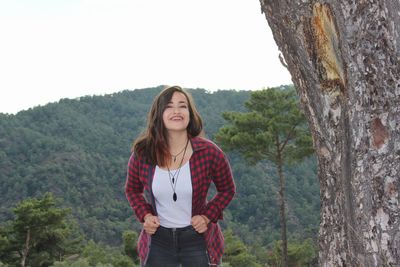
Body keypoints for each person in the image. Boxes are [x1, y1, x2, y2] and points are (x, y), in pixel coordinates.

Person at [125, 85, 236, 267]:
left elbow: (227, 190)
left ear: (190, 113)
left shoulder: (209, 152)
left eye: (182, 106)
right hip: (158, 241)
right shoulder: (143, 153)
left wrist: (207, 217)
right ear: (159, 114)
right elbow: (132, 190)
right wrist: (145, 215)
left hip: (198, 240)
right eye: (169, 106)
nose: (176, 111)